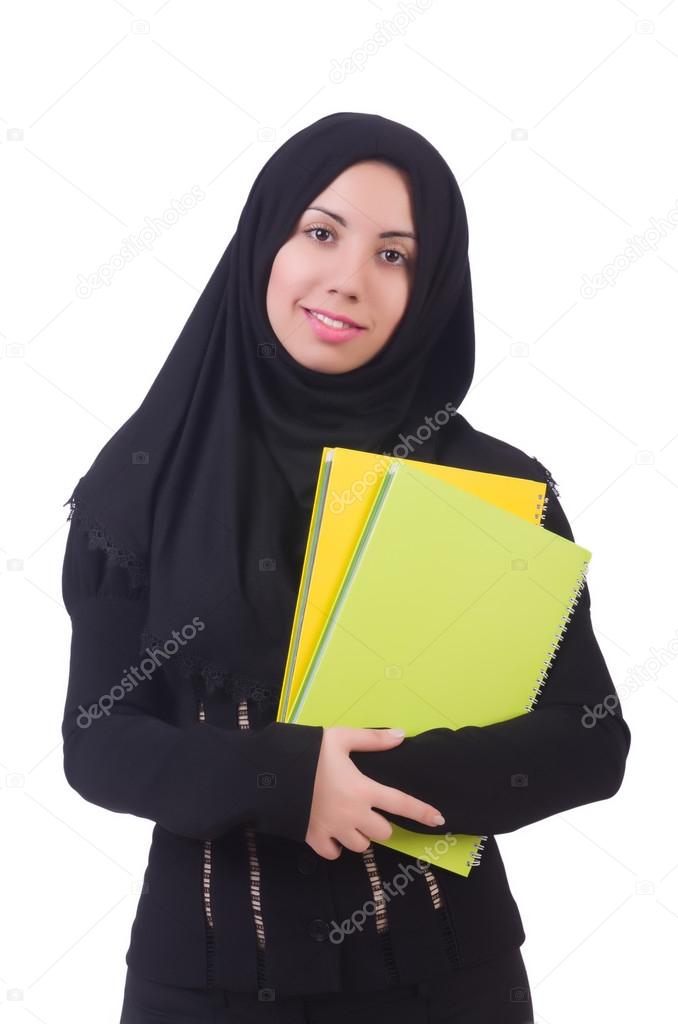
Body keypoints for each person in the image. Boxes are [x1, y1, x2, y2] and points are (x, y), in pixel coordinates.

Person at [60, 111, 631, 1022]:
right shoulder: (142, 481)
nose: (349, 279)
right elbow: (99, 742)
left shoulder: (492, 486)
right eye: (321, 232)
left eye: (396, 255)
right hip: (204, 981)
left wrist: (368, 786)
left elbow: (591, 742)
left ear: (434, 286)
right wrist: (283, 780)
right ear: (266, 244)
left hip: (449, 979)